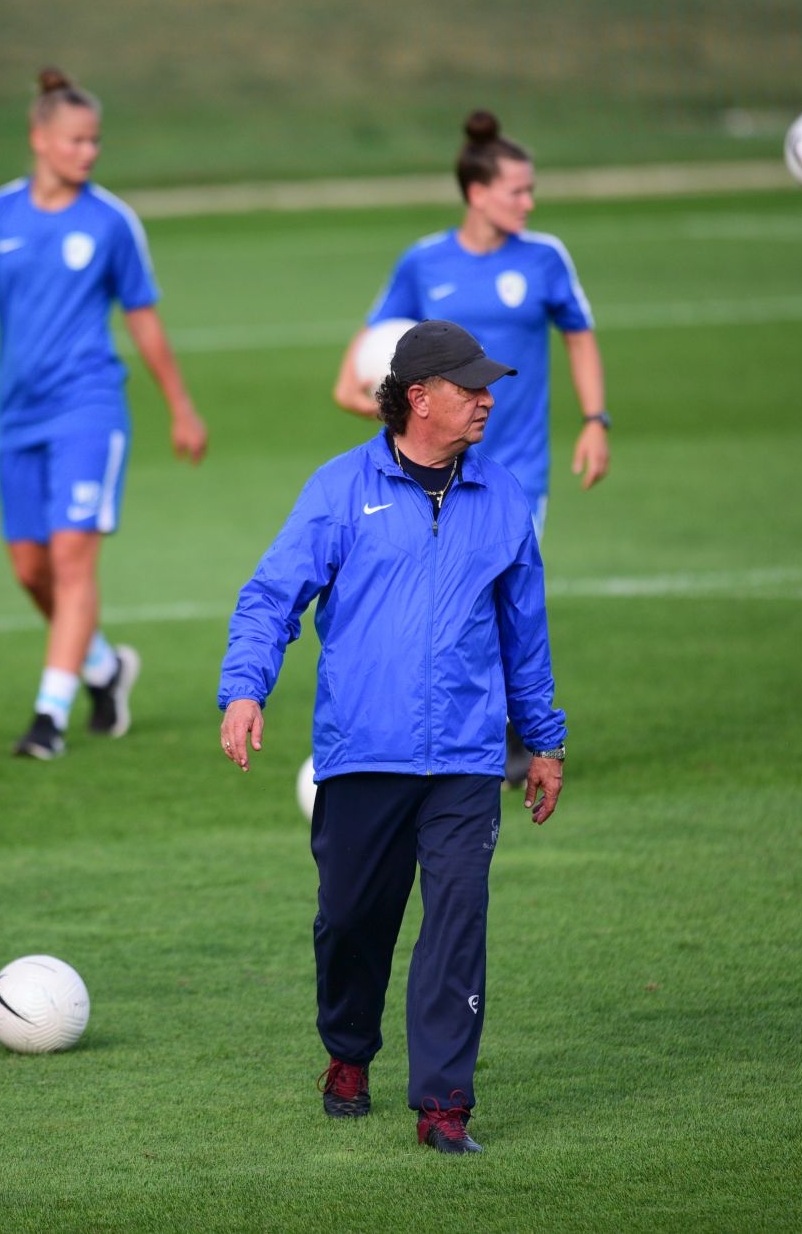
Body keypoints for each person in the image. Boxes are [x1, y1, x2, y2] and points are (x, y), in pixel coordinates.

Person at [218, 320, 568, 1156]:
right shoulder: (340, 489)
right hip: (363, 750)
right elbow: (271, 597)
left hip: (467, 759)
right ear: (419, 398)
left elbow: (525, 634)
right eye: (469, 387)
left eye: (488, 387)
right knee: (351, 920)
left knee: (457, 923)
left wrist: (544, 741)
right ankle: (348, 1051)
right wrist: (245, 689)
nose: (487, 400)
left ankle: (444, 1105)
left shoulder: (503, 497)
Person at [0, 65, 208, 761]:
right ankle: (103, 668)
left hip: (89, 408)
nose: (89, 152)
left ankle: (48, 719)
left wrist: (180, 406)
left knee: (71, 558)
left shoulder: (111, 221)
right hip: (16, 416)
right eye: (77, 140)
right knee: (31, 570)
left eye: (96, 141)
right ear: (39, 138)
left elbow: (144, 319)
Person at [334, 110, 608, 780]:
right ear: (478, 193)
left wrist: (595, 419)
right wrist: (370, 396)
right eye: (518, 190)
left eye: (531, 189)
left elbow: (579, 336)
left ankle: (512, 731)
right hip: (432, 467)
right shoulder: (424, 262)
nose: (529, 202)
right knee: (447, 599)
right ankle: (459, 729)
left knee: (502, 595)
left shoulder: (544, 258)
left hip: (517, 468)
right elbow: (368, 351)